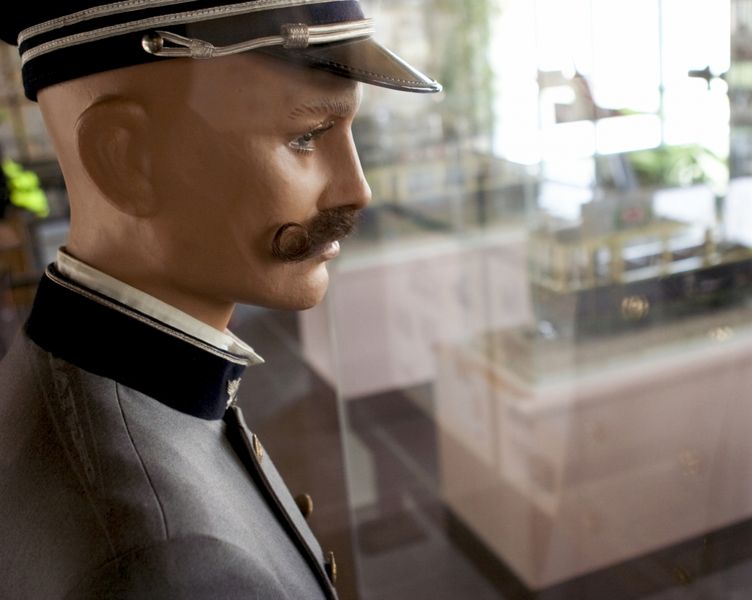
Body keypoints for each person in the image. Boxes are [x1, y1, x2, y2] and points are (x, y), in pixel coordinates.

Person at [0, 2, 440, 598]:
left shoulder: (74, 382)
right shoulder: (166, 565)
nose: (356, 189)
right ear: (126, 160)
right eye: (307, 135)